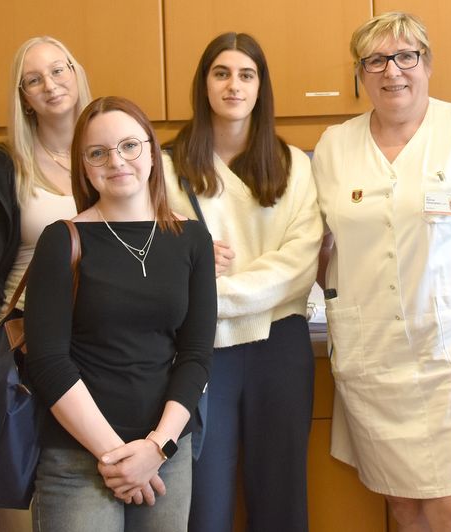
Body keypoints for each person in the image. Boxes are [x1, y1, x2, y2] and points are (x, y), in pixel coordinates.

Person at [311, 11, 451, 532]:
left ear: (427, 64)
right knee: (405, 509)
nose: (393, 71)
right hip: (376, 358)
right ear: (360, 74)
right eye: (376, 60)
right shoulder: (333, 148)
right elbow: (322, 246)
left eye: (406, 56)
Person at [23, 96, 217, 531]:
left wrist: (155, 449)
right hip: (77, 456)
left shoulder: (192, 239)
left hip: (166, 453)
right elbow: (49, 363)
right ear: (85, 167)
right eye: (98, 153)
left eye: (129, 146)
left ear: (151, 152)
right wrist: (116, 457)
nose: (117, 161)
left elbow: (197, 355)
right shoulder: (61, 240)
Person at [163, 32, 322, 532]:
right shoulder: (164, 167)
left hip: (280, 345)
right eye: (222, 73)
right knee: (202, 502)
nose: (234, 85)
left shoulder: (294, 164)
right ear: (204, 83)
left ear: (261, 87)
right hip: (199, 351)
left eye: (246, 75)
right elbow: (148, 258)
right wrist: (186, 262)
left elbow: (299, 263)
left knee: (281, 499)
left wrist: (207, 290)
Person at [0, 36, 92, 532]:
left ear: (77, 73)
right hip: (24, 360)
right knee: (22, 506)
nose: (51, 85)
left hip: (99, 353)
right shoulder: (2, 167)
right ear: (23, 96)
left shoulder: (108, 150)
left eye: (59, 71)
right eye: (34, 79)